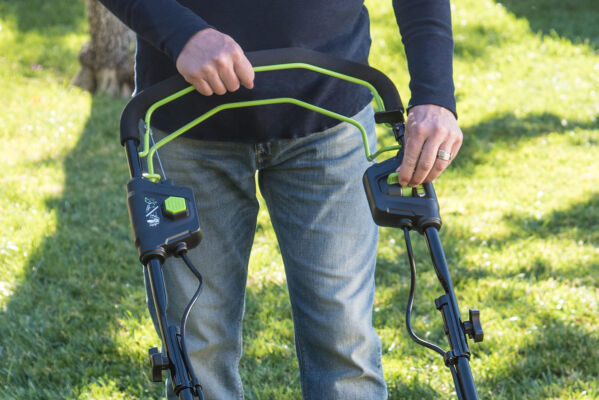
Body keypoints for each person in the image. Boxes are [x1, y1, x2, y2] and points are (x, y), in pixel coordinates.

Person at [100, 1, 463, 398]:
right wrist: (181, 33)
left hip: (330, 112)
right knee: (196, 347)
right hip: (184, 119)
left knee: (344, 339)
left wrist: (435, 96)